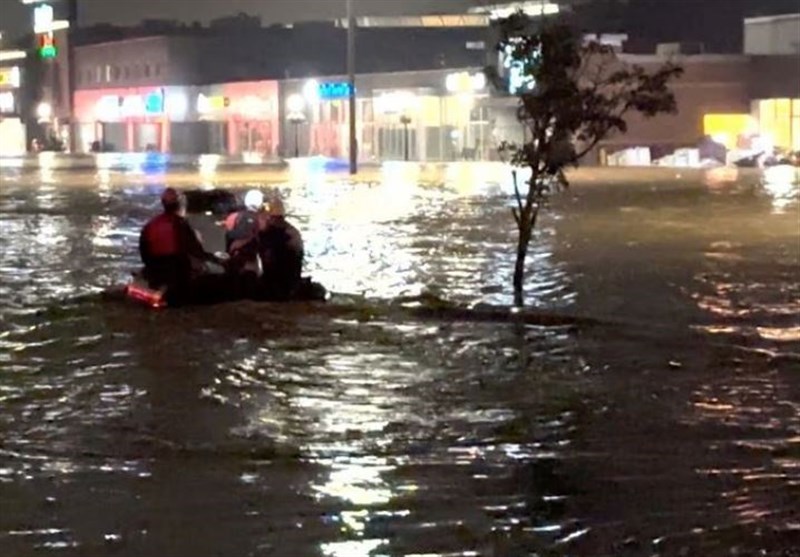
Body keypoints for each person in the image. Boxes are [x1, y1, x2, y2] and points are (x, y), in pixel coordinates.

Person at [139, 187, 227, 305]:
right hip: (176, 271)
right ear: (179, 205)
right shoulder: (180, 224)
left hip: (155, 271)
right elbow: (195, 250)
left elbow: (144, 252)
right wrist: (217, 259)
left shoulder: (151, 225)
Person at [256, 195, 305, 300]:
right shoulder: (292, 231)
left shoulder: (272, 235)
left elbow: (270, 263)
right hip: (291, 285)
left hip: (277, 287)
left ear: (269, 217)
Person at [223, 189, 264, 297]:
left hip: (233, 259)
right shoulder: (261, 219)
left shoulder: (232, 218)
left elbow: (228, 237)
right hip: (250, 261)